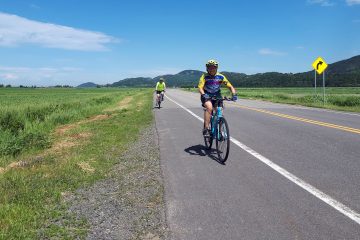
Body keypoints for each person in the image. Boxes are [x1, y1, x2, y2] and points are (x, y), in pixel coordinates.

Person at [198, 59, 237, 137]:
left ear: (216, 68)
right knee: (209, 108)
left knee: (220, 113)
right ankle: (206, 129)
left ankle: (220, 131)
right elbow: (200, 87)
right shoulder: (204, 76)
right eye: (210, 67)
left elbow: (230, 86)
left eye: (213, 67)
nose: (211, 69)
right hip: (206, 96)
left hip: (217, 96)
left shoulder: (221, 77)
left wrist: (234, 94)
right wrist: (203, 94)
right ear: (207, 68)